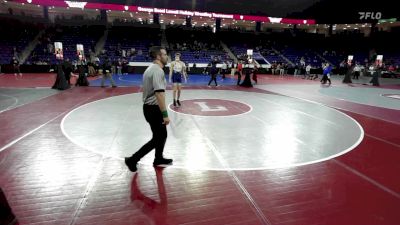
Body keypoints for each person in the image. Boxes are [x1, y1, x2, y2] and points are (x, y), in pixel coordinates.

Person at [125, 46, 172, 173]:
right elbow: (159, 94)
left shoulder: (150, 69)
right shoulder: (157, 71)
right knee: (158, 138)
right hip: (154, 109)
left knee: (161, 136)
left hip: (149, 108)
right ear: (158, 56)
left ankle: (158, 158)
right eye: (165, 54)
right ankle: (132, 159)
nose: (167, 56)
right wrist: (165, 114)